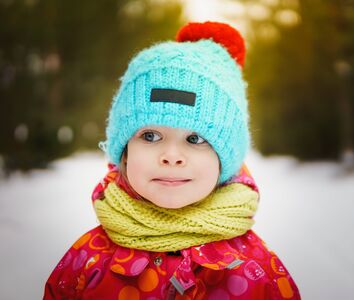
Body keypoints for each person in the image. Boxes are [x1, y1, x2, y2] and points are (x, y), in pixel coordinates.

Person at [44, 21, 301, 299]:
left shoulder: (257, 272)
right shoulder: (86, 263)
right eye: (151, 136)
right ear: (125, 153)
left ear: (225, 160)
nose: (172, 156)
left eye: (195, 139)